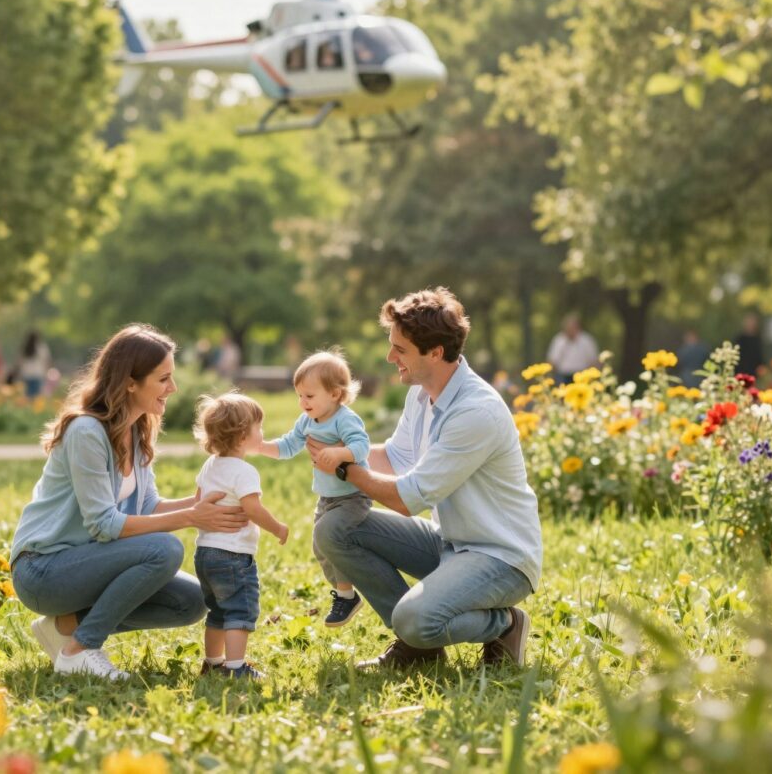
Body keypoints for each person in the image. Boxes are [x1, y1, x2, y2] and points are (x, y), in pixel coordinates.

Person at [310, 287, 542, 670]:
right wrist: (338, 449)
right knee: (335, 528)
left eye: (400, 349)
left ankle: (504, 624)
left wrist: (345, 469)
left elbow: (407, 498)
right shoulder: (421, 394)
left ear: (434, 352)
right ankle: (421, 649)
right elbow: (397, 458)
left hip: (500, 556)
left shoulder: (475, 412)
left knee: (413, 620)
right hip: (449, 542)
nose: (390, 357)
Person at [9, 324, 248, 681]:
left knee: (192, 600)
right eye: (163, 379)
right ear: (130, 382)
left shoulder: (136, 429)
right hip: (43, 570)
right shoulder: (87, 432)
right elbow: (104, 525)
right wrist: (189, 517)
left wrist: (201, 504)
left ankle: (64, 627)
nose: (173, 388)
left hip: (86, 564)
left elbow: (147, 505)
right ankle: (79, 650)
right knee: (164, 549)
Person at [255, 349, 371, 627]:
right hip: (327, 498)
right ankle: (346, 594)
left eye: (309, 396)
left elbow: (361, 445)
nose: (302, 402)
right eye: (299, 396)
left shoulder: (345, 419)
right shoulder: (306, 421)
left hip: (353, 496)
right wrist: (260, 447)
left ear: (334, 394)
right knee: (320, 546)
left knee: (330, 536)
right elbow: (288, 445)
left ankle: (347, 593)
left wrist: (339, 454)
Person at [193, 393, 289, 680]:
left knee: (217, 611)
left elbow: (198, 501)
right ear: (242, 435)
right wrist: (277, 527)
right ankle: (236, 668)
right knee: (239, 609)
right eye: (258, 427)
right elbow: (252, 508)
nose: (262, 433)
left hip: (205, 552)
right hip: (233, 554)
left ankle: (212, 663)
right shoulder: (245, 471)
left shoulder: (210, 465)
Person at [546, 315, 599, 384]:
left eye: (573, 328)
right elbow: (552, 360)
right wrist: (549, 376)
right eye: (568, 328)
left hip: (582, 375)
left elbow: (593, 360)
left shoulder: (586, 340)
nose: (570, 330)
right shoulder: (559, 340)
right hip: (563, 375)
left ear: (578, 327)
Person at [18, 330, 52, 399]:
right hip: (37, 374)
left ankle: (26, 408)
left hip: (26, 374)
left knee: (27, 396)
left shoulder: (25, 347)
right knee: (36, 398)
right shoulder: (41, 347)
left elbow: (20, 362)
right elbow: (46, 361)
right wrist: (47, 372)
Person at [733, 313, 765, 378]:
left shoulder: (758, 338)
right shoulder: (740, 338)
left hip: (754, 371)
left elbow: (759, 354)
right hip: (741, 370)